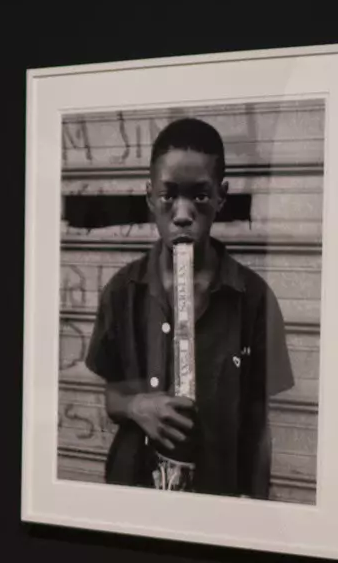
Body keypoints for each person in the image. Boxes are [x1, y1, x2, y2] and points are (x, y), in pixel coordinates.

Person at [84, 117, 294, 497]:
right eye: (168, 196)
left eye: (199, 195)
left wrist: (259, 505)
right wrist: (136, 407)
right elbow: (112, 396)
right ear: (150, 197)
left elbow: (258, 424)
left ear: (221, 196)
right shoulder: (121, 292)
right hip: (132, 493)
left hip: (218, 498)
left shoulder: (254, 299)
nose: (182, 213)